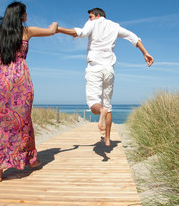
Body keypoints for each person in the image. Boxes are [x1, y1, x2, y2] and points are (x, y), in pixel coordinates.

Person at [0, 1, 58, 182]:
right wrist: (55, 25)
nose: (27, 15)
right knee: (22, 123)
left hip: (0, 79)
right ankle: (29, 159)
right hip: (20, 81)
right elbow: (51, 31)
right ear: (20, 15)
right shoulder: (27, 31)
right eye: (26, 13)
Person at [57, 8, 154, 146]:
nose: (88, 19)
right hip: (109, 70)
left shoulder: (93, 23)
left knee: (93, 103)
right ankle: (107, 139)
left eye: (90, 16)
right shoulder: (115, 26)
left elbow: (81, 33)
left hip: (95, 68)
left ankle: (101, 111)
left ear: (97, 16)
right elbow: (133, 37)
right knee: (108, 105)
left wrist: (59, 29)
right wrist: (145, 53)